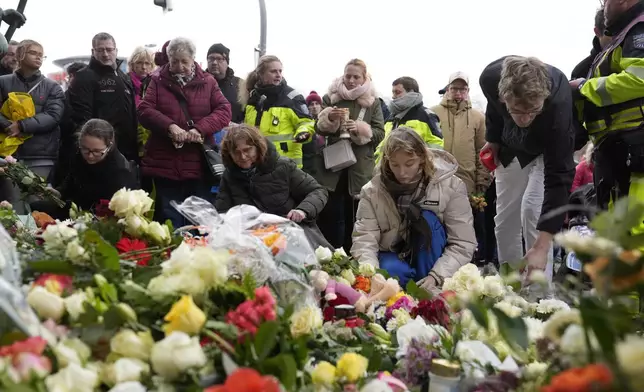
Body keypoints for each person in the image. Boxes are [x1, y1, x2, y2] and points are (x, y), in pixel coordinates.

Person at [480, 56, 575, 280]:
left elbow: (559, 176)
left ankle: (540, 292)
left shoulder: (559, 102)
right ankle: (510, 285)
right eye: (518, 111)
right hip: (511, 146)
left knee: (533, 208)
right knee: (504, 221)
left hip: (547, 149)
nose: (526, 118)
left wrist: (543, 244)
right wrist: (492, 138)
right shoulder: (489, 79)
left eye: (533, 110)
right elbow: (493, 111)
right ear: (503, 97)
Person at [351, 127, 476, 289]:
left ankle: (429, 287)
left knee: (428, 218)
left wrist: (437, 276)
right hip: (393, 254)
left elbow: (463, 241)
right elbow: (364, 239)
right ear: (387, 161)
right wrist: (372, 275)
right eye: (395, 165)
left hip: (434, 257)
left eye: (409, 164)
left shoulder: (450, 186)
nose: (402, 172)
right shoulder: (372, 191)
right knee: (391, 272)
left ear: (423, 159)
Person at [137, 37, 231, 228]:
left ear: (193, 59)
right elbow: (144, 110)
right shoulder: (157, 81)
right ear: (168, 59)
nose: (179, 66)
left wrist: (200, 128)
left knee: (198, 219)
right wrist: (170, 127)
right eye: (174, 62)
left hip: (198, 164)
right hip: (165, 162)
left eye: (184, 61)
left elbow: (224, 110)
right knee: (169, 218)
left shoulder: (208, 82)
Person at [570, 0, 644, 238]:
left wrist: (583, 87)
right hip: (618, 154)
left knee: (636, 231)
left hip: (636, 151)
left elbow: (640, 79)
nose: (605, 7)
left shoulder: (639, 30)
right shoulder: (623, 37)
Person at [215, 124, 330, 248]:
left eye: (247, 150)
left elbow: (318, 191)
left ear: (258, 147)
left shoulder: (282, 166)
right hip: (251, 243)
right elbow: (223, 212)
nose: (242, 157)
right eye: (236, 153)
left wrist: (302, 210)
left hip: (293, 238)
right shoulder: (229, 176)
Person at [315, 59, 385, 250]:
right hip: (333, 168)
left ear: (364, 78)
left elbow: (380, 133)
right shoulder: (331, 97)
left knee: (356, 216)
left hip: (359, 168)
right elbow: (318, 129)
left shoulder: (373, 101)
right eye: (348, 76)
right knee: (330, 215)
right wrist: (329, 118)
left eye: (356, 77)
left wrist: (360, 129)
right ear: (343, 75)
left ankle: (355, 256)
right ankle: (330, 255)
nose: (351, 80)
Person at [0, 39, 65, 213]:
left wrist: (21, 125)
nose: (38, 57)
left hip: (40, 156)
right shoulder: (3, 82)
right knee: (13, 208)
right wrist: (7, 125)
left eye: (41, 54)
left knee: (38, 207)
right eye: (33, 53)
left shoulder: (53, 87)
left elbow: (54, 115)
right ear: (20, 55)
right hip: (8, 156)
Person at [32, 119, 139, 219]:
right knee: (35, 207)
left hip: (99, 217)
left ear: (109, 146)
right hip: (76, 207)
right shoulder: (79, 154)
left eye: (97, 151)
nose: (90, 156)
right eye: (85, 149)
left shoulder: (121, 172)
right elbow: (71, 180)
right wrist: (58, 192)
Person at [67, 32, 139, 162]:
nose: (105, 54)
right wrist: (94, 148)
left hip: (127, 150)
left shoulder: (123, 77)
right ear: (93, 51)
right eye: (100, 50)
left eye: (109, 49)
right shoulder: (83, 77)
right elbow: (80, 118)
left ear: (116, 50)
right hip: (100, 151)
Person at [240, 55, 315, 168]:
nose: (278, 75)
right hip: (258, 166)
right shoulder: (253, 99)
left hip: (287, 168)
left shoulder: (292, 97)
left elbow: (307, 122)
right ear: (261, 74)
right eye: (273, 71)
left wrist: (303, 133)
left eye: (280, 71)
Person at [375, 76, 443, 162]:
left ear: (411, 93)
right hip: (388, 170)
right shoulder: (391, 117)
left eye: (397, 92)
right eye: (393, 92)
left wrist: (425, 168)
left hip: (415, 171)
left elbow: (437, 147)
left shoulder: (427, 116)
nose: (393, 96)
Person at [206, 43, 243, 123]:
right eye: (211, 58)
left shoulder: (240, 84)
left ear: (227, 62)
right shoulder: (199, 83)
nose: (214, 62)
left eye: (219, 59)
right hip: (206, 132)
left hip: (234, 132)